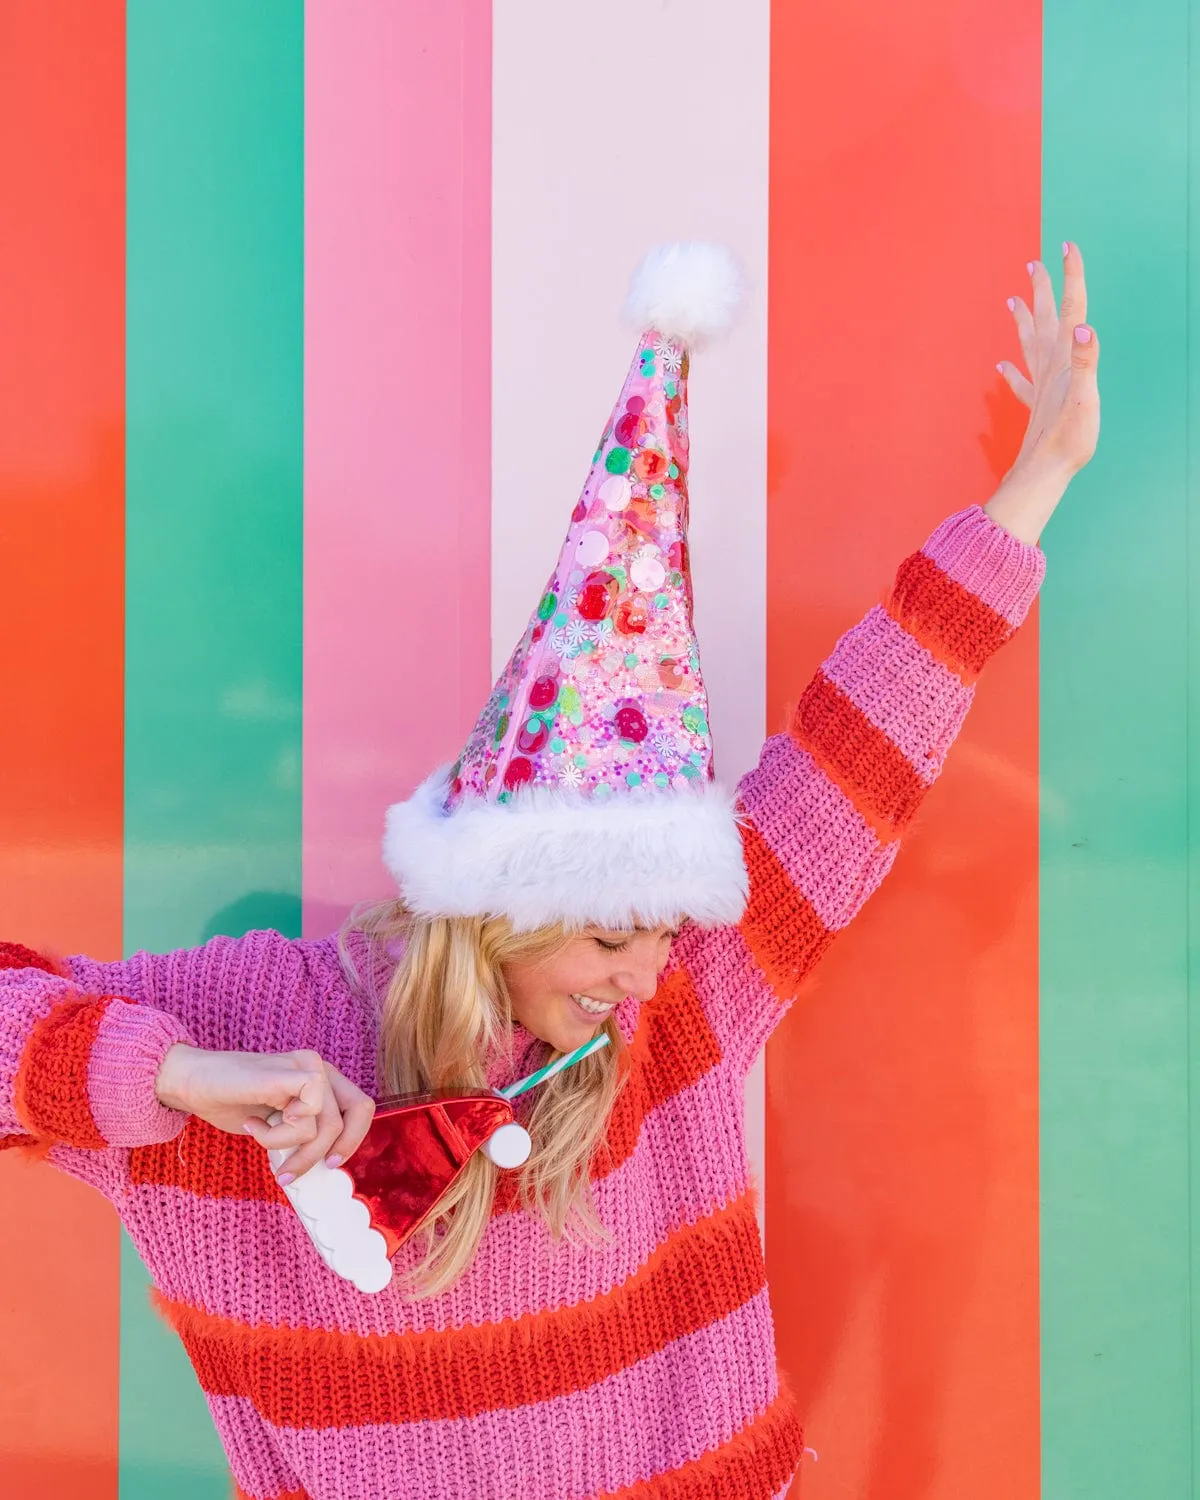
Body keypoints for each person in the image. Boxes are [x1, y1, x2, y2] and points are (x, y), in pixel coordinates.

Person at [0, 241, 1099, 1500]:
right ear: (498, 911)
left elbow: (870, 738)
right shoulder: (275, 1022)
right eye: (606, 938)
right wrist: (182, 1077)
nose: (640, 977)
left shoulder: (688, 996)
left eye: (661, 932)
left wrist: (1040, 478)